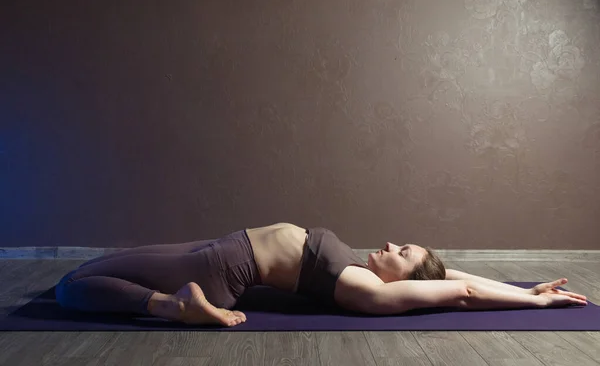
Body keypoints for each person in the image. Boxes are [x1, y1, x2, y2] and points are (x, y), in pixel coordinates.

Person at [55, 222, 588, 327]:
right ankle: (168, 302)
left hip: (216, 268)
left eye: (400, 250)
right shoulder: (369, 272)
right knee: (92, 269)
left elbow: (459, 290)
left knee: (68, 286)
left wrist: (538, 305)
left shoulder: (369, 291)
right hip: (219, 249)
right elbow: (459, 275)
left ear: (407, 277)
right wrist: (520, 288)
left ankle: (173, 307)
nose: (388, 243)